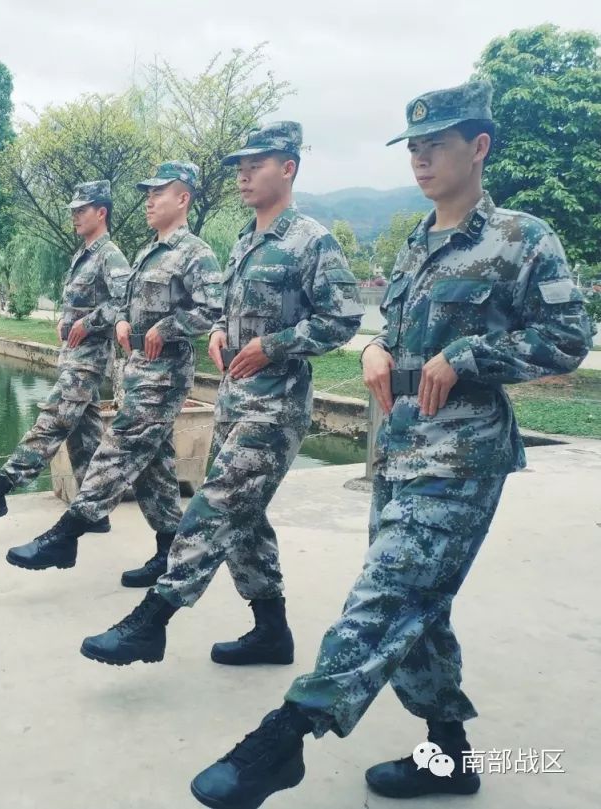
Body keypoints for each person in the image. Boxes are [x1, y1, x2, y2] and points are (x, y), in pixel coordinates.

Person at [187, 81, 593, 809]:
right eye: (412, 146)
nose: (420, 157)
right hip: (400, 450)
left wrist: (470, 356)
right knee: (418, 608)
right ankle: (450, 758)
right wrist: (376, 346)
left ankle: (285, 737)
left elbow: (567, 339)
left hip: (463, 456)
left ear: (479, 147)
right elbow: (395, 335)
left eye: (435, 143)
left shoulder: (522, 238)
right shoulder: (414, 243)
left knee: (386, 593)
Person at [79, 122, 363, 666]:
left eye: (256, 163)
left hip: (275, 407)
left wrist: (275, 345)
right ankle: (272, 632)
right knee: (245, 519)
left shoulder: (310, 240)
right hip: (235, 402)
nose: (243, 174)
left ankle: (153, 620)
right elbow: (225, 312)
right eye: (239, 165)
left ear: (288, 168)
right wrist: (216, 333)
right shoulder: (244, 242)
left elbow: (344, 316)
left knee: (216, 505)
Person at [5, 162, 223, 585]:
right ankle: (168, 554)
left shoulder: (195, 252)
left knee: (119, 447)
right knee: (154, 468)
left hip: (165, 374)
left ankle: (66, 534)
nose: (149, 200)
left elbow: (214, 309)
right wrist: (122, 320)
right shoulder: (147, 251)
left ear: (183, 199)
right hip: (136, 370)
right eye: (147, 193)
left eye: (159, 193)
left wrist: (167, 328)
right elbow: (125, 302)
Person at [0, 181, 131, 535]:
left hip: (88, 362)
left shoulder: (111, 255)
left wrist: (87, 323)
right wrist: (67, 321)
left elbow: (126, 303)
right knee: (85, 437)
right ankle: (94, 513)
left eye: (82, 210)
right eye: (73, 211)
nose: (75, 216)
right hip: (74, 356)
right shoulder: (84, 254)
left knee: (52, 422)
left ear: (101, 212)